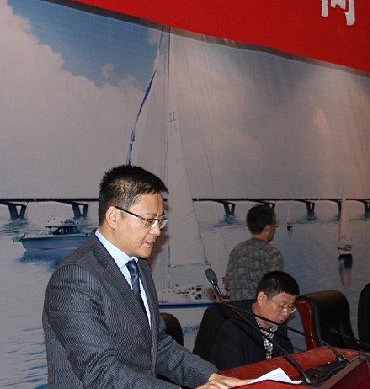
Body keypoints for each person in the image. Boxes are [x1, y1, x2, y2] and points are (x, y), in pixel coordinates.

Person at [43, 165, 247, 389]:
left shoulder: (138, 266)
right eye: (149, 221)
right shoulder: (74, 278)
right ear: (113, 216)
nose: (157, 231)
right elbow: (100, 371)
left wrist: (209, 377)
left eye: (160, 221)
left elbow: (157, 345)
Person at [211, 271, 300, 370]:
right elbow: (232, 376)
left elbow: (290, 366)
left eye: (290, 308)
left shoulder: (278, 325)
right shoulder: (232, 331)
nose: (285, 314)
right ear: (261, 299)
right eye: (281, 306)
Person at [224, 204, 284, 301]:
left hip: (236, 308)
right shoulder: (272, 253)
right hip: (259, 309)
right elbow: (275, 290)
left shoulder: (236, 250)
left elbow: (228, 284)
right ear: (267, 229)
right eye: (275, 224)